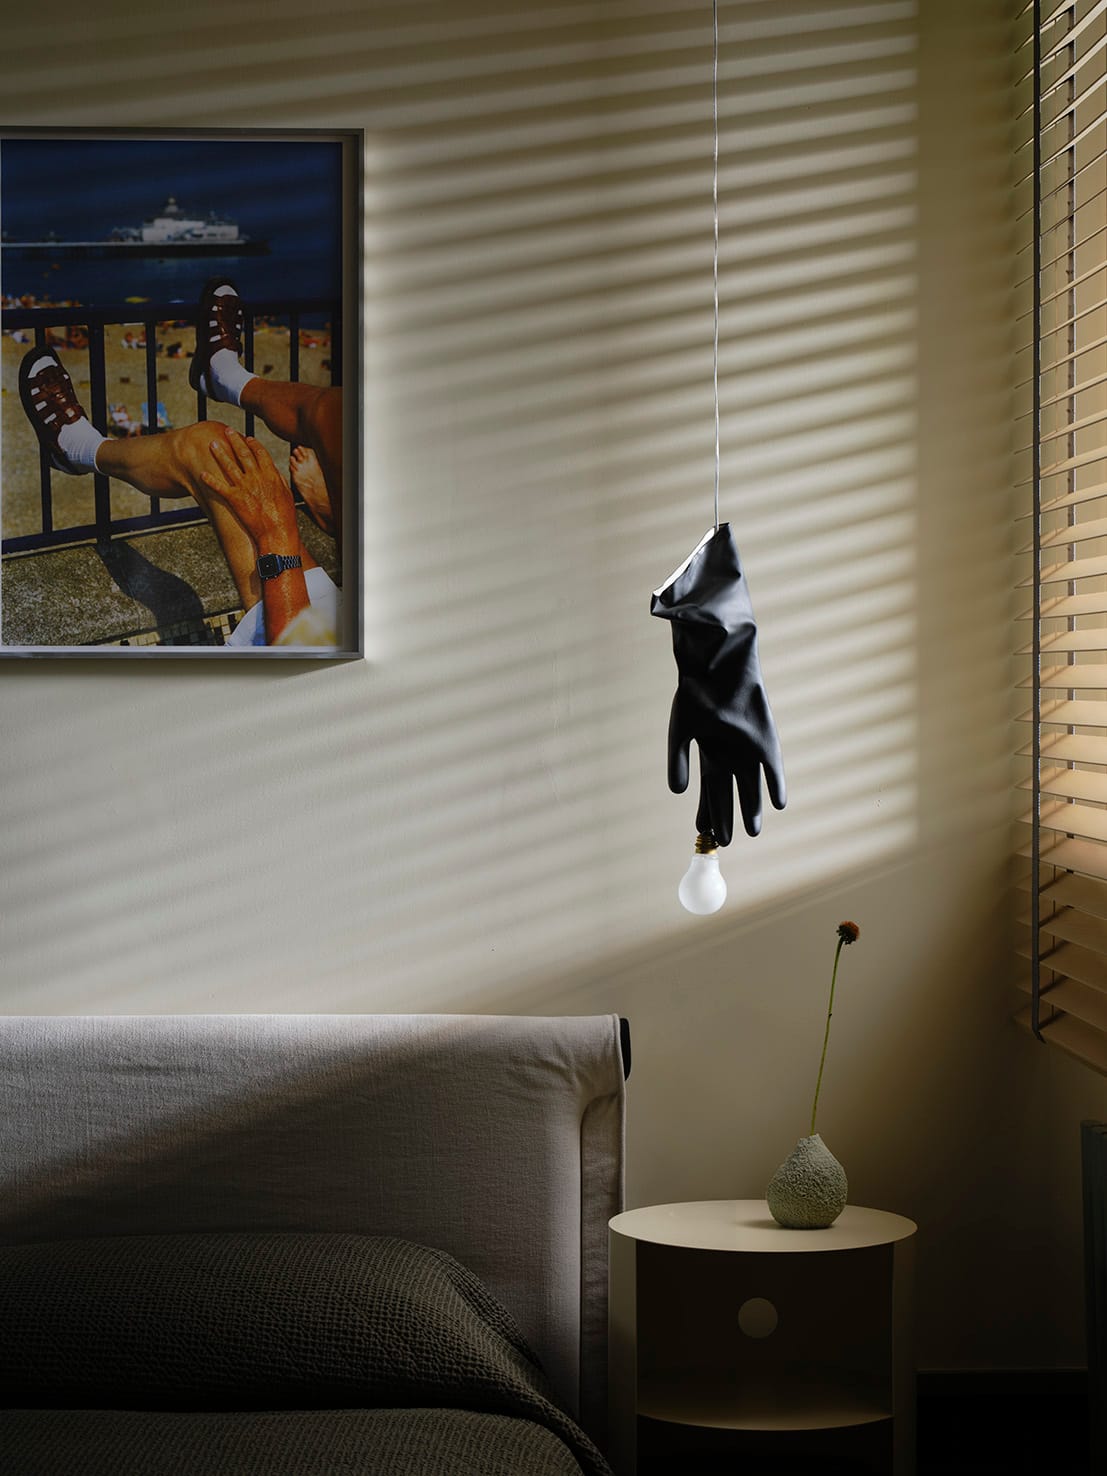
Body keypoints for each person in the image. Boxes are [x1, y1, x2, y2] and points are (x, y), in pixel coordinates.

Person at [18, 346, 337, 647]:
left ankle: (77, 448)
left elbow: (296, 660)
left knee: (207, 448)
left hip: (312, 645)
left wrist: (276, 535)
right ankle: (224, 377)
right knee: (331, 409)